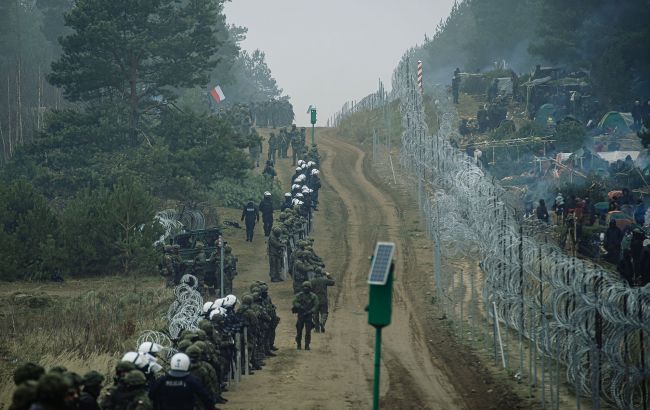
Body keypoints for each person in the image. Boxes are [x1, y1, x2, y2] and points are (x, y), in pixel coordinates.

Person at [149, 353, 216, 410]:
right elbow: (206, 398)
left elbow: (151, 394)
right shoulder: (191, 381)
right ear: (187, 365)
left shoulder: (162, 380)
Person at [292, 281, 319, 350]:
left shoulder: (313, 296)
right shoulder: (299, 295)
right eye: (304, 287)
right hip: (301, 315)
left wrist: (310, 311)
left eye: (307, 287)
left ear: (310, 288)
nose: (305, 288)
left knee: (308, 331)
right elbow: (294, 302)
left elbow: (316, 305)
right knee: (299, 331)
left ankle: (307, 345)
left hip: (309, 316)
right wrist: (300, 306)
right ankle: (298, 344)